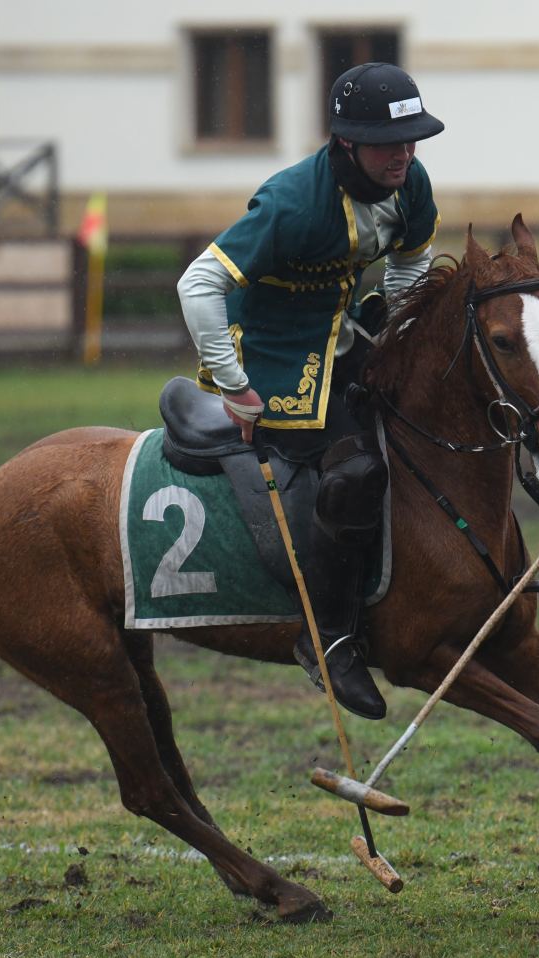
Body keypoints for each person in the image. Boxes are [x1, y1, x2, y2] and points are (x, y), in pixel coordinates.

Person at [176, 61, 445, 719]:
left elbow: (413, 255)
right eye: (390, 144)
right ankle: (330, 640)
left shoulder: (410, 183)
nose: (404, 155)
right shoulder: (292, 203)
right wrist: (236, 389)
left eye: (413, 140)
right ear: (347, 143)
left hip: (343, 336)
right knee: (353, 469)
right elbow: (197, 285)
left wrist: (396, 313)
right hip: (268, 356)